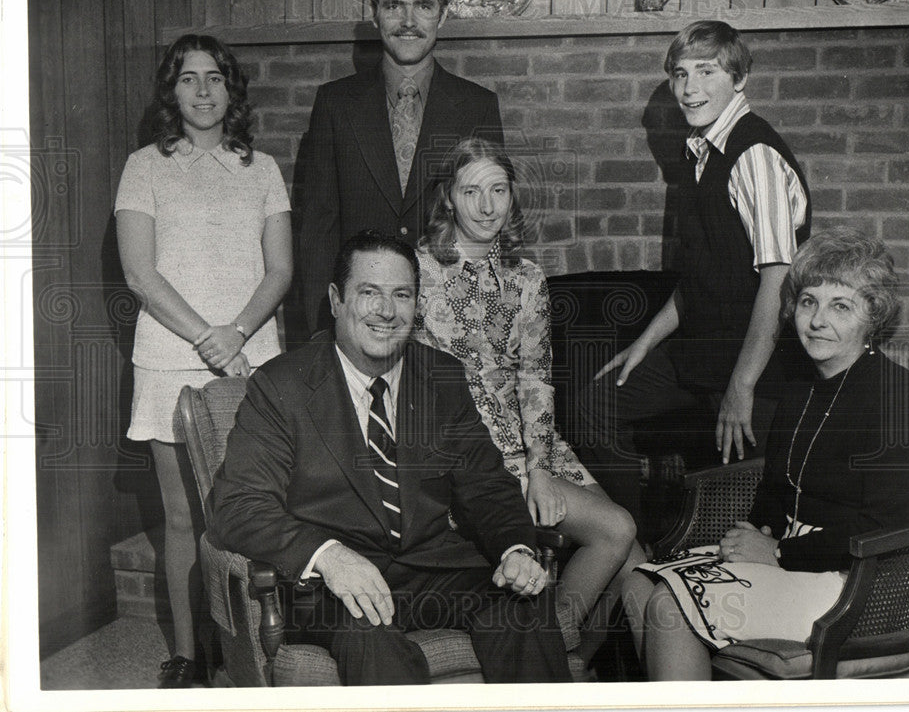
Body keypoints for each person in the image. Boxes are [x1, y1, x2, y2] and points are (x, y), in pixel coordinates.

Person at [210, 230, 573, 685]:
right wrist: (329, 556)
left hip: (432, 570)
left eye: (402, 295)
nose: (387, 311)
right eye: (369, 293)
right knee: (370, 634)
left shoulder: (440, 375)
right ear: (336, 300)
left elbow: (485, 484)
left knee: (520, 606)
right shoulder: (281, 387)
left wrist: (514, 549)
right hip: (334, 588)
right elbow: (237, 505)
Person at [622, 228, 909, 680]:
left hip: (854, 586)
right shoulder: (802, 387)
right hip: (796, 562)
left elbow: (893, 522)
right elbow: (777, 486)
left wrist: (777, 551)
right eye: (808, 301)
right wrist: (751, 536)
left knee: (667, 606)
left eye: (841, 306)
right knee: (637, 584)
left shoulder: (897, 395)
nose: (817, 320)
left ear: (873, 315)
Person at [413, 138, 645, 653]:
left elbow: (535, 377)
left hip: (534, 444)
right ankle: (552, 650)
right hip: (466, 455)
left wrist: (540, 467)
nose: (487, 206)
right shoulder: (417, 272)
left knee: (635, 560)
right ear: (448, 197)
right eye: (471, 191)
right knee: (616, 529)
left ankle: (576, 660)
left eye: (499, 190)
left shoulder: (527, 277)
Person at [576, 19, 812, 523]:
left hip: (755, 366)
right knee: (591, 408)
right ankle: (628, 539)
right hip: (701, 350)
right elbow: (703, 275)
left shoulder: (755, 156)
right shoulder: (701, 153)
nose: (690, 88)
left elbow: (779, 279)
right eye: (680, 75)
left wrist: (741, 387)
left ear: (739, 77)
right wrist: (644, 344)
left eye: (706, 72)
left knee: (739, 512)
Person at [115, 34, 293, 687]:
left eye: (214, 77)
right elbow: (139, 272)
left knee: (247, 507)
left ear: (231, 89)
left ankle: (245, 652)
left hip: (249, 358)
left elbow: (281, 269)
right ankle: (189, 658)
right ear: (172, 91)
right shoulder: (144, 166)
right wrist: (206, 337)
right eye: (187, 78)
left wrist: (238, 332)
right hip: (168, 358)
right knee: (183, 516)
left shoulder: (263, 169)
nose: (201, 89)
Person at [296, 0, 505, 335]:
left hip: (450, 323)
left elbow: (488, 225)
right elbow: (318, 229)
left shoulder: (477, 106)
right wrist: (319, 331)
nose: (409, 22)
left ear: (442, 16)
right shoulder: (335, 103)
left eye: (423, 6)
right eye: (394, 5)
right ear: (376, 15)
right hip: (360, 321)